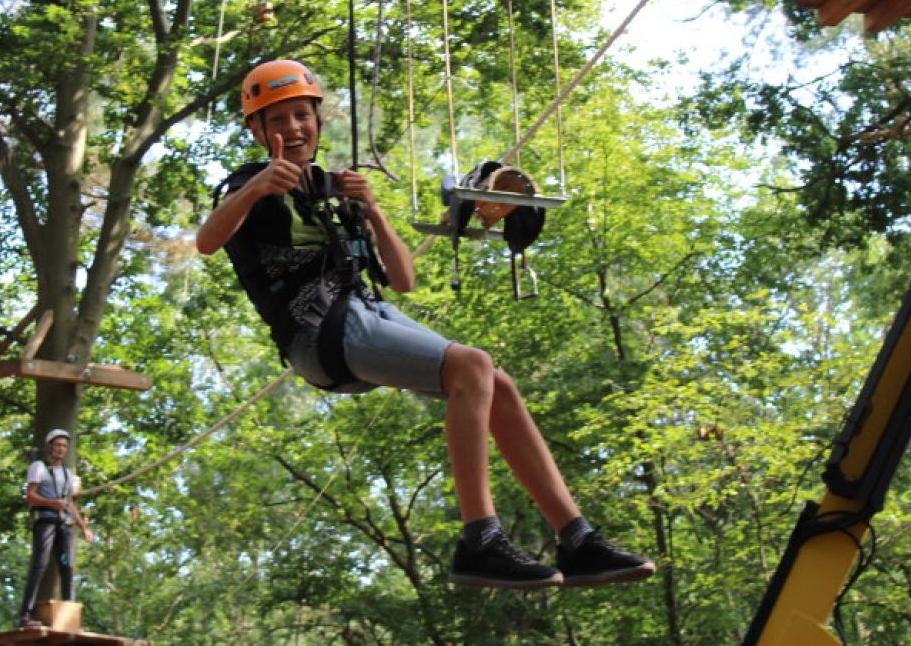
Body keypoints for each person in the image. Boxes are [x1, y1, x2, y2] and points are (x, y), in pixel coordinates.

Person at [195, 59, 655, 589]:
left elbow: (403, 279)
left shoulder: (334, 189)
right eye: (277, 121)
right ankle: (480, 539)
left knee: (494, 382)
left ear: (320, 122)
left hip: (364, 311)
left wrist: (371, 210)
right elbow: (207, 242)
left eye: (303, 115)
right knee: (473, 365)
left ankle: (577, 539)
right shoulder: (249, 183)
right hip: (317, 329)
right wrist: (255, 190)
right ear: (256, 131)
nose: (293, 129)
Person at [16, 429, 94, 628]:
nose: (61, 449)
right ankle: (26, 613)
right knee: (39, 565)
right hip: (45, 522)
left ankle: (70, 616)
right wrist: (51, 503)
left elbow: (69, 504)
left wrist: (83, 527)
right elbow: (30, 496)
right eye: (58, 445)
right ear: (50, 446)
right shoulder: (38, 467)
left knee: (67, 568)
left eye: (64, 446)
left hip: (63, 525)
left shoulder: (68, 474)